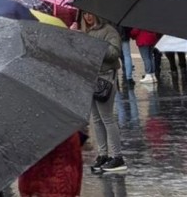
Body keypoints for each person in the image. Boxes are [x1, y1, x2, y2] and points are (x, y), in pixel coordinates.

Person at [82, 12, 128, 174]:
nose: (87, 17)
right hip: (92, 78)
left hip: (106, 78)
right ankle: (103, 155)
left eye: (90, 14)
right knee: (96, 119)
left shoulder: (109, 31)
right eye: (84, 14)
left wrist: (93, 46)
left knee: (107, 118)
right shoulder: (87, 32)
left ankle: (117, 156)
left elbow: (114, 53)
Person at [17, 133, 83, 197]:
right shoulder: (70, 131)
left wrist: (25, 191)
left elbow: (25, 165)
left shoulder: (30, 132)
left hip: (37, 189)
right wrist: (75, 188)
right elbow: (76, 163)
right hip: (63, 186)